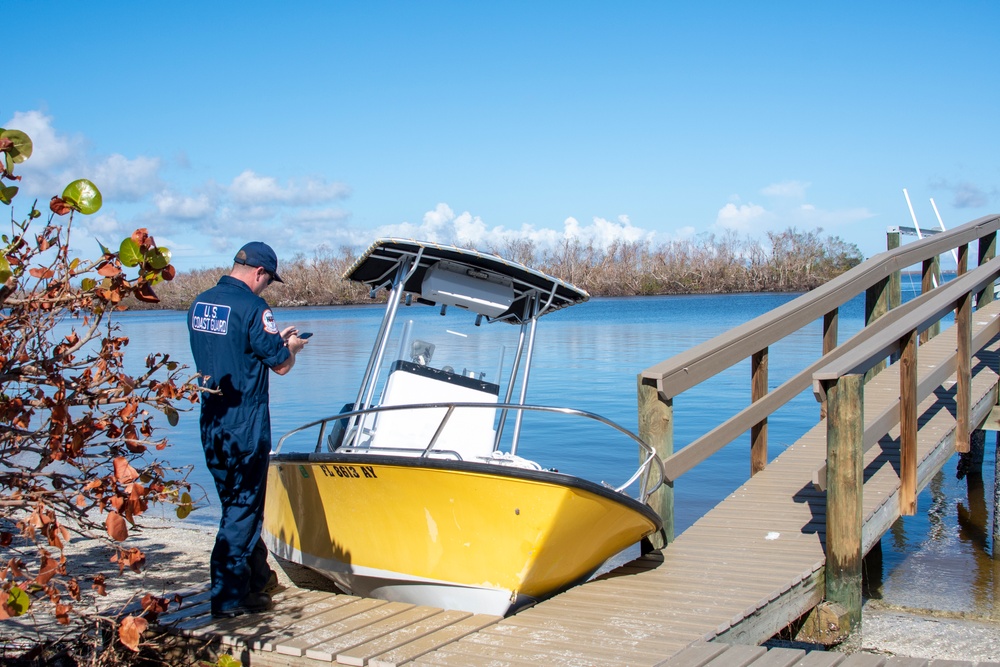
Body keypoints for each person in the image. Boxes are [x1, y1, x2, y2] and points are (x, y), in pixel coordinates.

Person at [187, 241, 309, 618]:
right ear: (259, 273)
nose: (266, 288)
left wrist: (271, 342)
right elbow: (282, 365)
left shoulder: (199, 303)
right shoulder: (255, 308)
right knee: (243, 510)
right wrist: (289, 346)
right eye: (269, 281)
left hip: (212, 422)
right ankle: (227, 599)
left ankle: (257, 580)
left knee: (237, 506)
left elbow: (233, 349)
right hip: (245, 424)